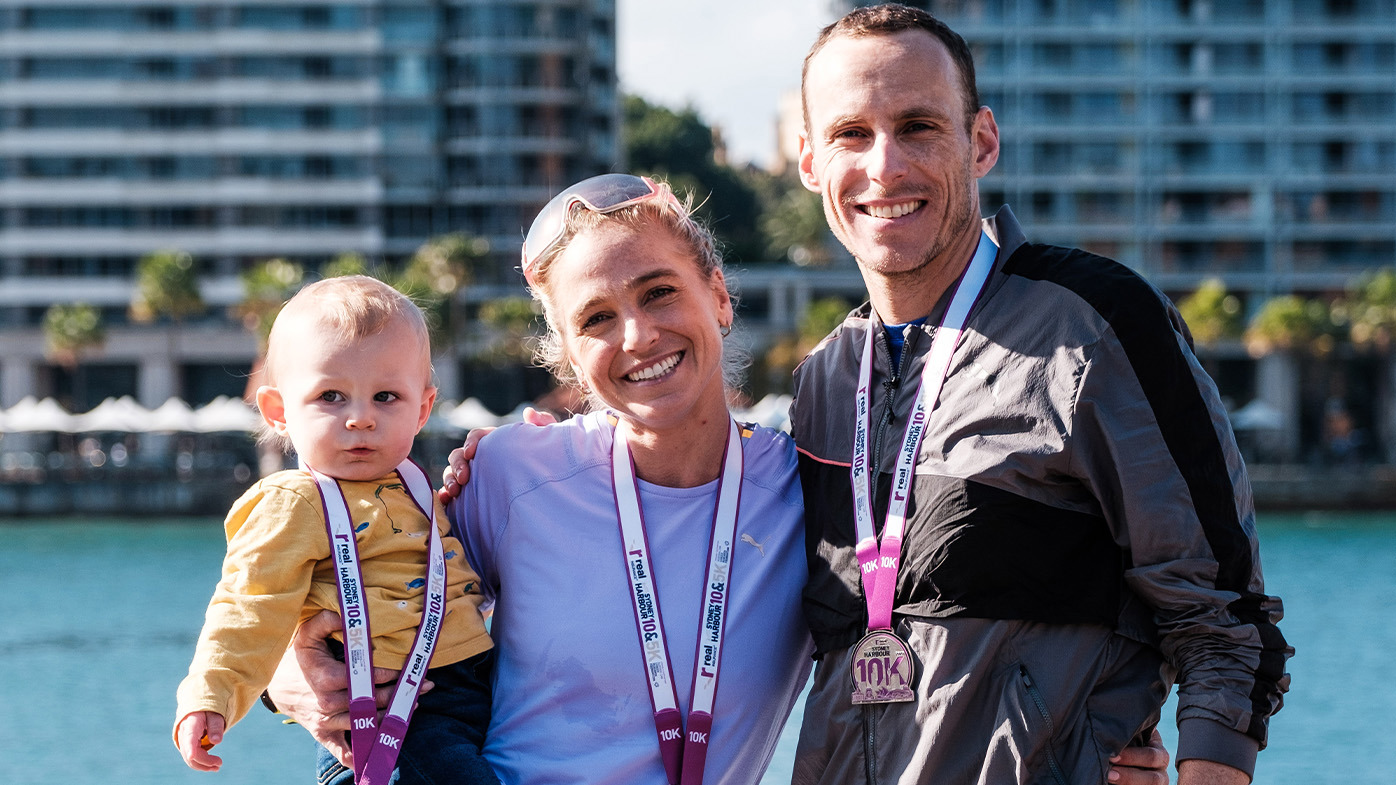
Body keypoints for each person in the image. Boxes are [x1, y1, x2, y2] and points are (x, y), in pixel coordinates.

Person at [267, 177, 1170, 784]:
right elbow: (357, 584)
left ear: (718, 296)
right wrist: (282, 673)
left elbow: (969, 623)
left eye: (660, 293)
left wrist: (1105, 735)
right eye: (596, 319)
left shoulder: (811, 486)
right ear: (570, 357)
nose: (637, 336)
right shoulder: (509, 471)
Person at [787, 5, 1291, 785]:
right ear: (809, 160)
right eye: (852, 132)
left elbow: (1224, 621)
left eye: (919, 126)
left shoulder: (1095, 324)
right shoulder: (823, 380)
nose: (885, 166)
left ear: (981, 141)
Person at [174, 275, 498, 785]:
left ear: (423, 409)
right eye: (331, 396)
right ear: (279, 412)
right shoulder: (292, 502)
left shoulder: (418, 488)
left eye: (386, 396)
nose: (361, 418)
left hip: (470, 687)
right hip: (393, 706)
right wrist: (210, 696)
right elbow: (248, 605)